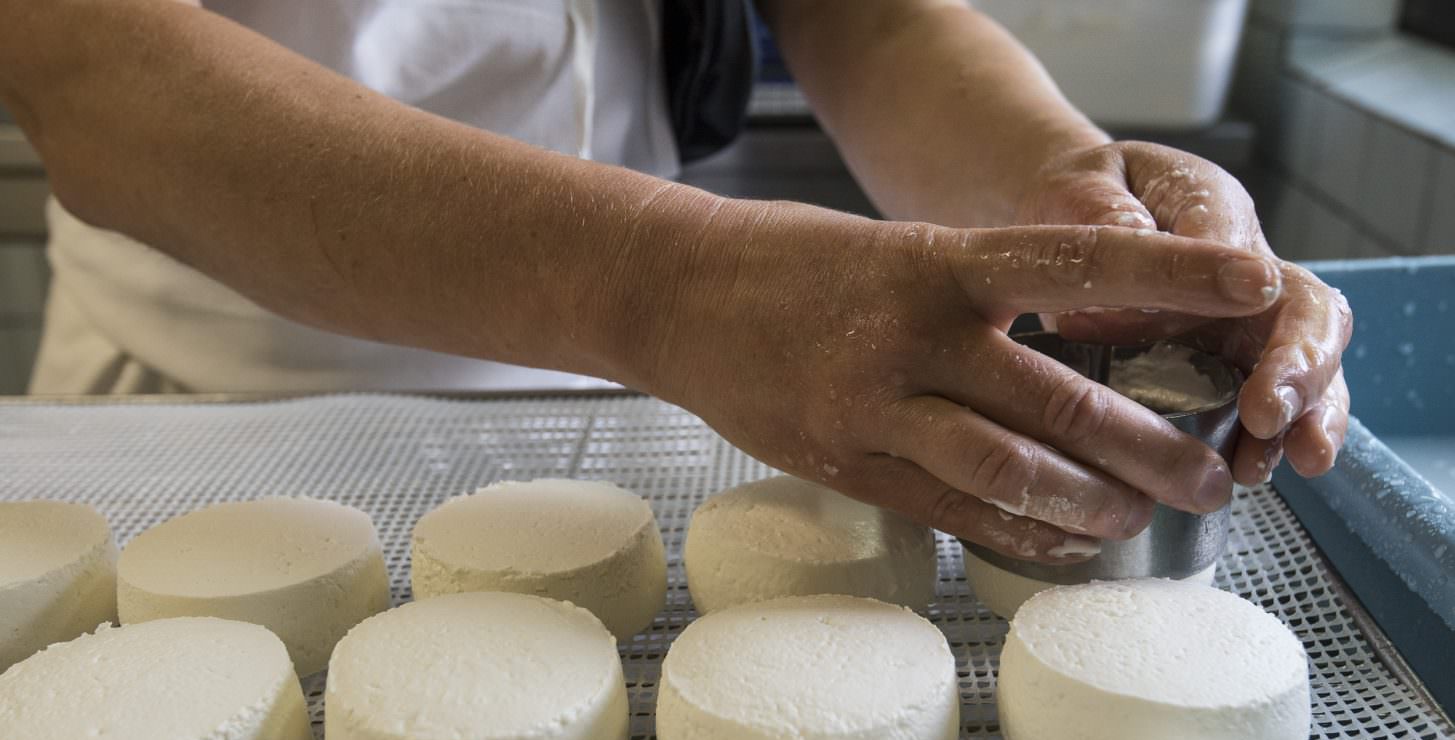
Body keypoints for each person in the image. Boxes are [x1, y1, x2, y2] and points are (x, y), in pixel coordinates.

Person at [0, 0, 1350, 565]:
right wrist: (666, 280)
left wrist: (1060, 185)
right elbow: (95, 64)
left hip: (662, 400)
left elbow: (857, 13)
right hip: (222, 407)